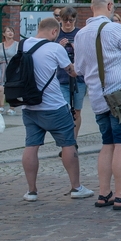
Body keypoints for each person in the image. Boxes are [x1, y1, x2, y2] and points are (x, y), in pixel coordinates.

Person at [74, 0, 121, 210]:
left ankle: (104, 193)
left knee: (107, 144)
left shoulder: (81, 34)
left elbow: (78, 69)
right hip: (120, 95)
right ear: (110, 5)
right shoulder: (114, 29)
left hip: (97, 96)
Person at [20, 17, 93, 202]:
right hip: (54, 105)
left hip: (29, 106)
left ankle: (31, 191)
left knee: (31, 146)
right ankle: (76, 187)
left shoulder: (23, 45)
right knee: (68, 143)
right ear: (54, 32)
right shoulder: (55, 48)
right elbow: (72, 71)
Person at [55, 7, 87, 147]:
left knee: (77, 110)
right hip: (61, 78)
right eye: (65, 20)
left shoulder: (80, 34)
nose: (68, 23)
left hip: (79, 79)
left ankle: (73, 139)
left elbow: (87, 55)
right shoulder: (56, 34)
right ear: (60, 20)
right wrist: (58, 47)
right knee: (65, 110)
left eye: (71, 20)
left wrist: (77, 48)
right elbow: (49, 55)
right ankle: (66, 141)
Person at [0, 25, 18, 114]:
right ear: (4, 34)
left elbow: (19, 57)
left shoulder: (17, 45)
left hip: (12, 69)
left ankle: (12, 107)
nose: (10, 33)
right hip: (2, 68)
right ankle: (1, 106)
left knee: (12, 87)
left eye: (12, 31)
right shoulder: (0, 45)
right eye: (8, 31)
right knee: (1, 87)